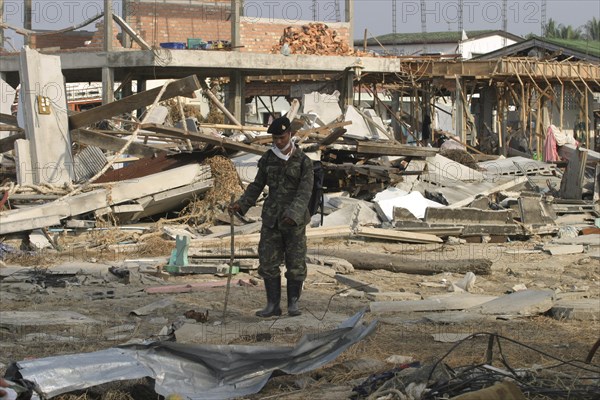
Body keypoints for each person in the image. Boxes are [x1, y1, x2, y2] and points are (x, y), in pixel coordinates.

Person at [229, 116, 313, 318]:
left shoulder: (303, 162)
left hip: (294, 221)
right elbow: (257, 185)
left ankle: (293, 304)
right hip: (272, 219)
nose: (278, 142)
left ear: (290, 135)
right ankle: (272, 305)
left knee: (295, 263)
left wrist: (293, 214)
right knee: (268, 262)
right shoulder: (268, 159)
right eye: (275, 138)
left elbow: (305, 192)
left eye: (282, 137)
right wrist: (242, 205)